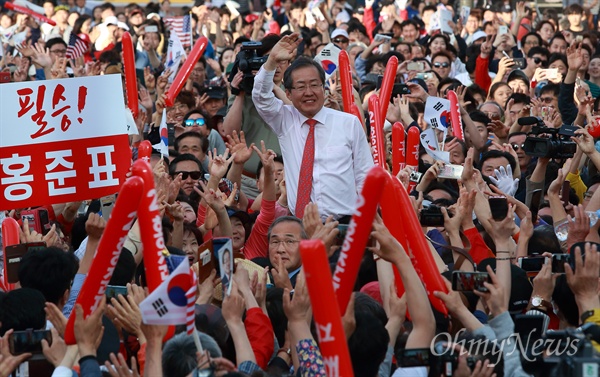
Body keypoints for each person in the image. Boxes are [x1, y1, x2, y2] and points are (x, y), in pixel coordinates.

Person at [252, 33, 374, 220]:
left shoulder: (348, 123)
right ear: (289, 94)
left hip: (345, 225)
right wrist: (271, 61)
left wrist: (365, 223)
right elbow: (261, 97)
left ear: (324, 89)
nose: (309, 92)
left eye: (314, 85)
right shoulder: (284, 120)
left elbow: (365, 176)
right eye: (301, 87)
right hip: (300, 224)